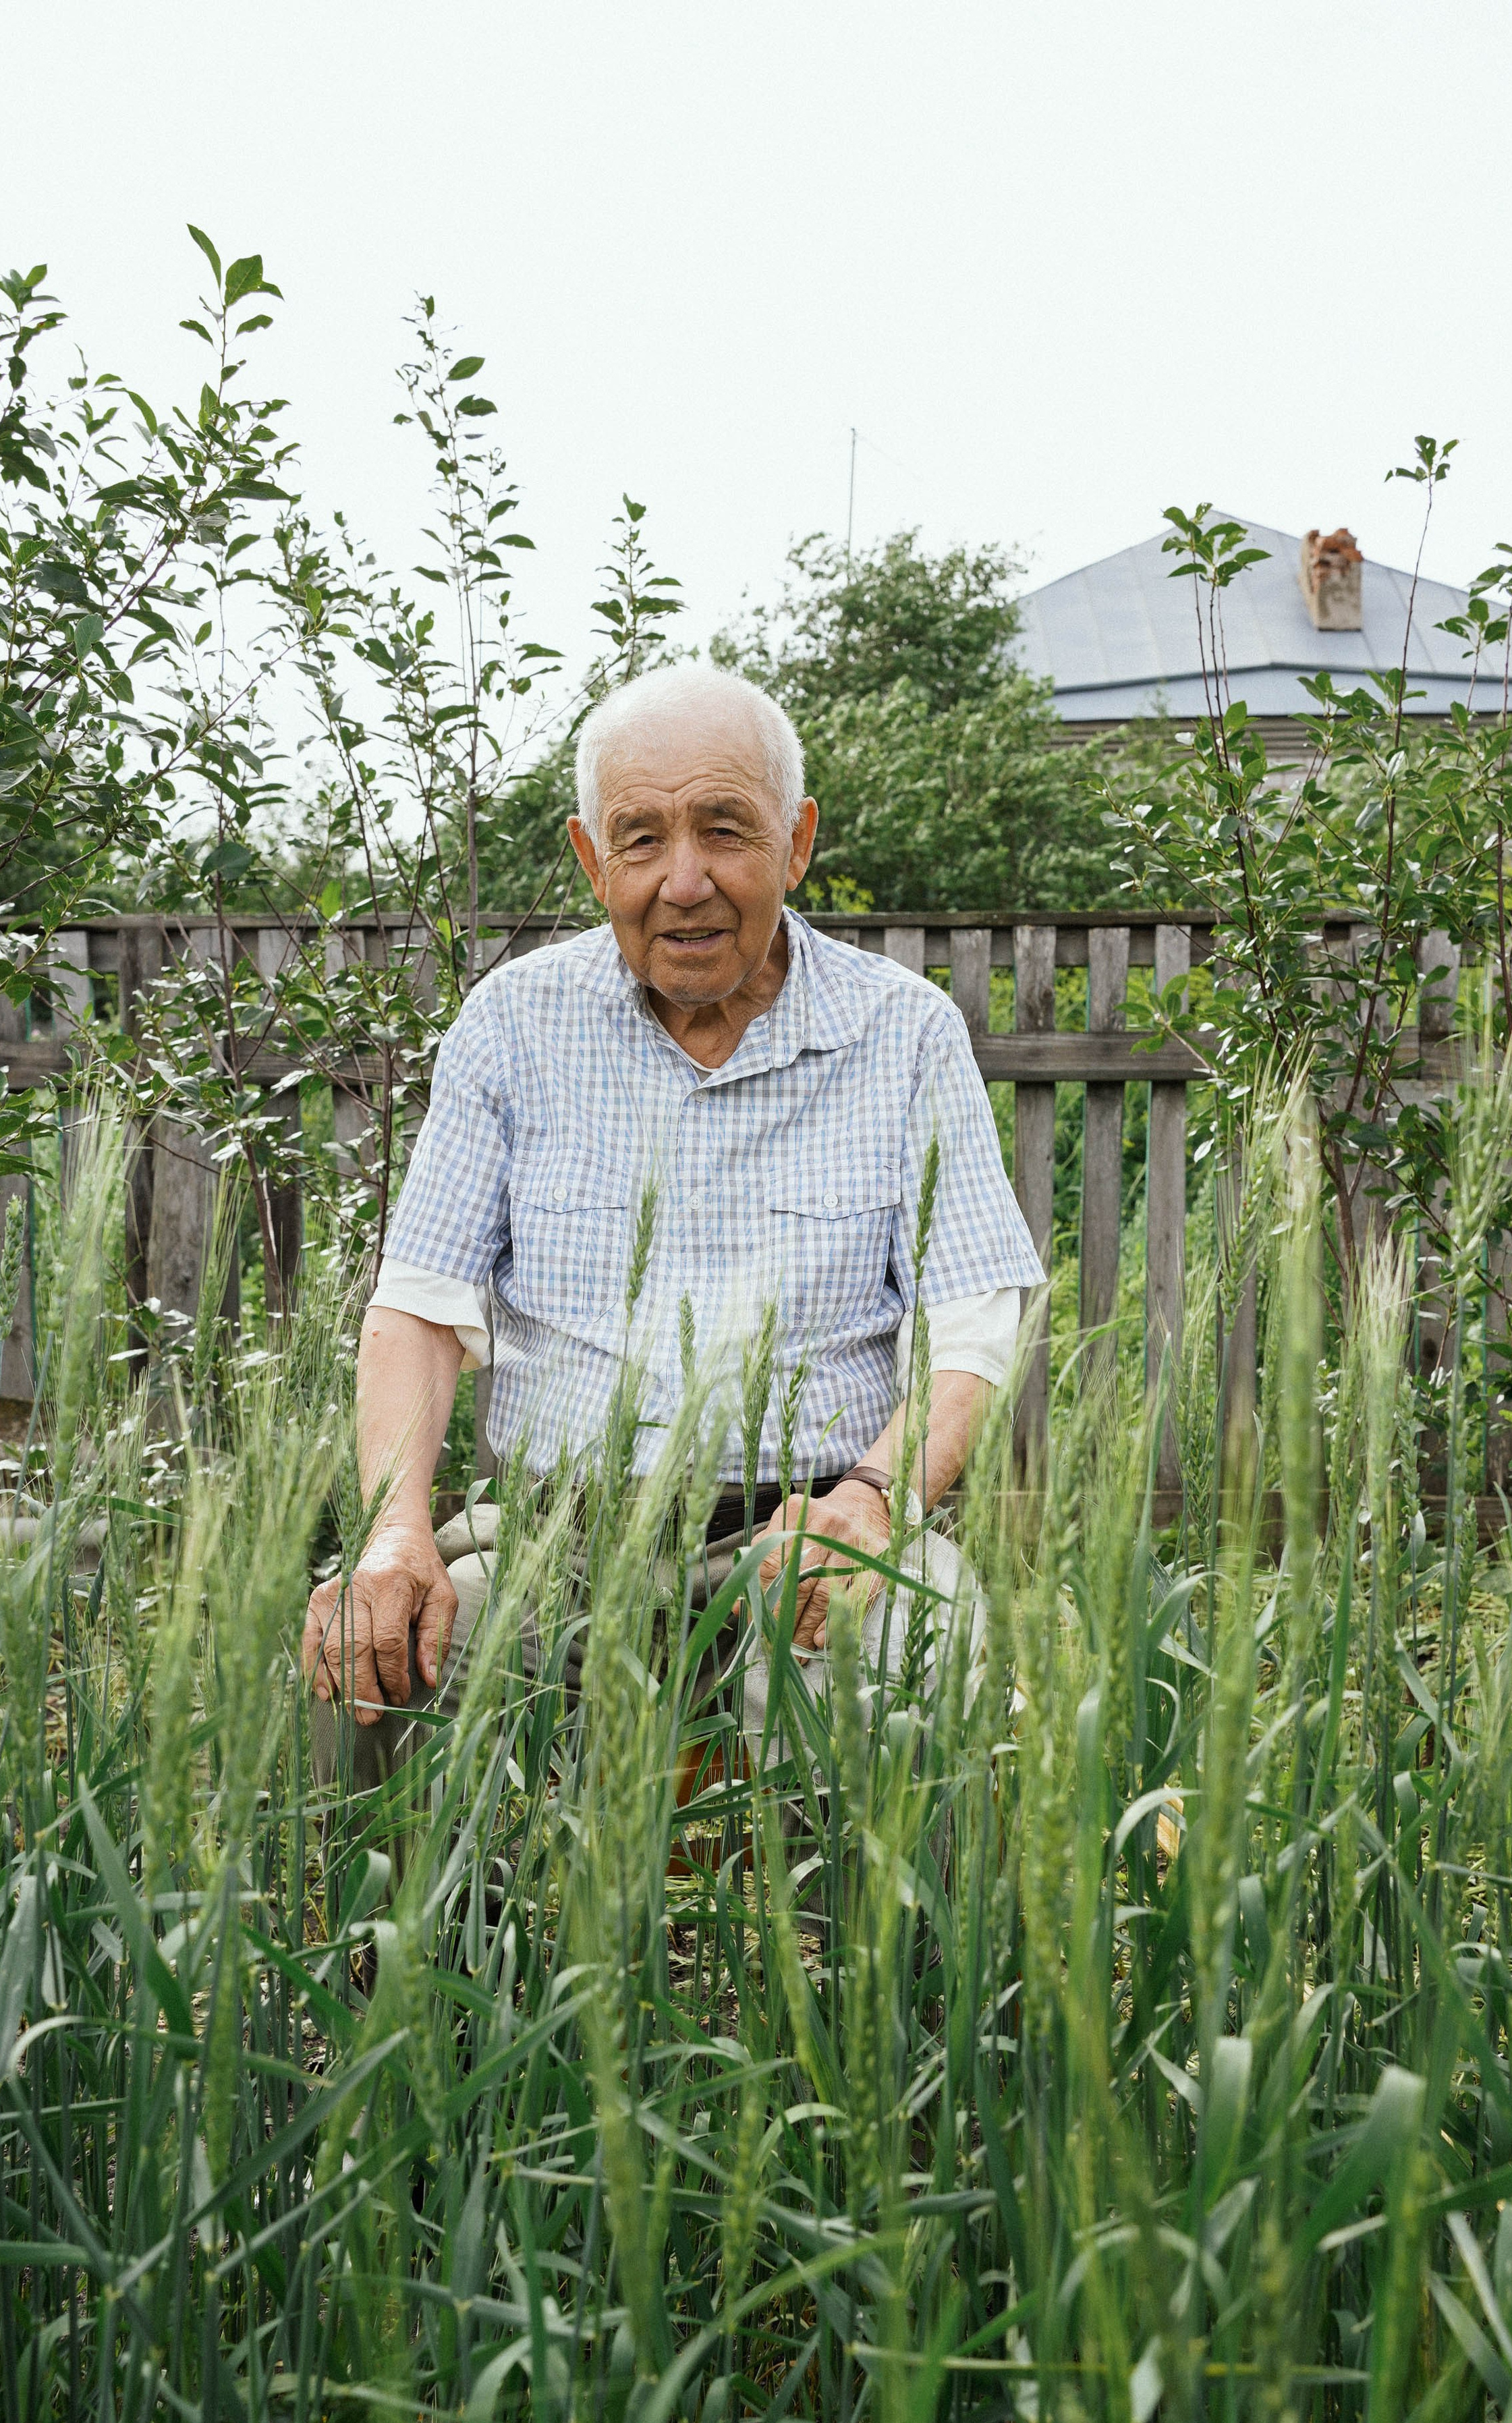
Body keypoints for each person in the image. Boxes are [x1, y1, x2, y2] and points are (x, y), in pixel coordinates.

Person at [300, 663, 1043, 1760]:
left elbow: (972, 1316)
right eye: (642, 839)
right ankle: (451, 1942)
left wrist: (874, 1498)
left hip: (811, 1526)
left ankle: (885, 1942)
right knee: (379, 1662)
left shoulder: (905, 1033)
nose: (684, 881)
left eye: (725, 831)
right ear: (591, 860)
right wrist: (395, 1528)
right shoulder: (511, 1026)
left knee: (912, 1689)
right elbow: (417, 1304)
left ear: (796, 844)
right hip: (554, 1537)